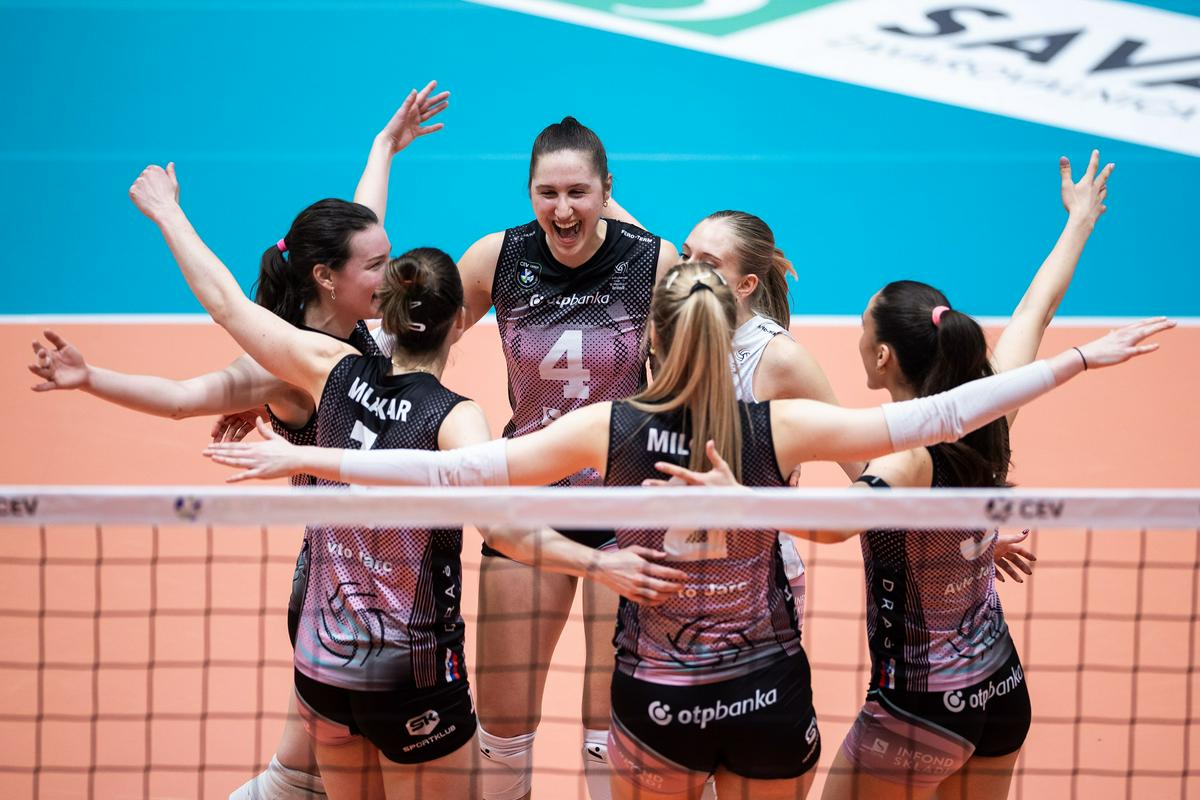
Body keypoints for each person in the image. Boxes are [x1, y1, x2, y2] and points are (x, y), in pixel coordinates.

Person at [203, 259, 1169, 800]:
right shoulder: (781, 426)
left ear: (651, 338)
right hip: (771, 696)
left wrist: (314, 458)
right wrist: (1081, 360)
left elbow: (456, 471)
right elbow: (941, 416)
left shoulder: (606, 429)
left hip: (658, 702)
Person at [649, 152, 1117, 799]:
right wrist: (1079, 223)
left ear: (883, 358)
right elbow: (1035, 310)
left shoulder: (904, 460)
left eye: (864, 326)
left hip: (920, 707)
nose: (858, 337)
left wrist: (741, 499)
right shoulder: (991, 409)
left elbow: (837, 525)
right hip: (1001, 689)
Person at [27, 85, 448, 800]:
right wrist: (91, 375)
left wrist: (384, 147)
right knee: (317, 777)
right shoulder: (282, 365)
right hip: (341, 589)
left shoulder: (356, 322)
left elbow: (367, 225)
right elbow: (183, 395)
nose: (392, 273)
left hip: (376, 576)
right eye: (377, 266)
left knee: (299, 774)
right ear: (327, 278)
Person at [453, 116, 678, 800]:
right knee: (501, 732)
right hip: (529, 501)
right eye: (546, 193)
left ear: (608, 190)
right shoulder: (496, 258)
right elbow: (415, 344)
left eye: (578, 192)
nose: (562, 209)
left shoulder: (653, 262)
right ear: (528, 192)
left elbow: (697, 375)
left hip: (626, 510)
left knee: (609, 734)